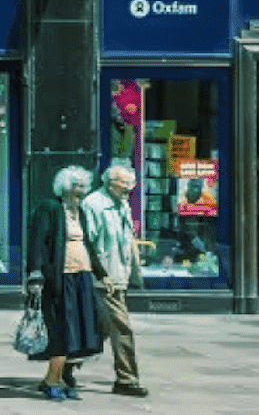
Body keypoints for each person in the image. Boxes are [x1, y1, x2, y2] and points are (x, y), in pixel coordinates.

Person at [24, 165, 104, 401]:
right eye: (75, 185)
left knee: (77, 331)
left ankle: (58, 377)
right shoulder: (49, 208)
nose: (80, 190)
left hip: (82, 276)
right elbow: (37, 242)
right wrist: (35, 274)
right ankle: (52, 379)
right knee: (60, 328)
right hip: (60, 278)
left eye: (83, 185)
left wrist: (102, 274)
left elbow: (87, 245)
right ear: (64, 186)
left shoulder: (82, 212)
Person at [81, 164, 148, 398]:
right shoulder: (93, 204)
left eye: (132, 183)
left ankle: (63, 366)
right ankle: (127, 379)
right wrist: (101, 275)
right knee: (122, 328)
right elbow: (86, 244)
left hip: (118, 277)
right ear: (110, 182)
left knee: (98, 328)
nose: (131, 187)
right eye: (125, 183)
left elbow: (127, 241)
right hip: (103, 279)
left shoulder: (123, 204)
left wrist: (135, 274)